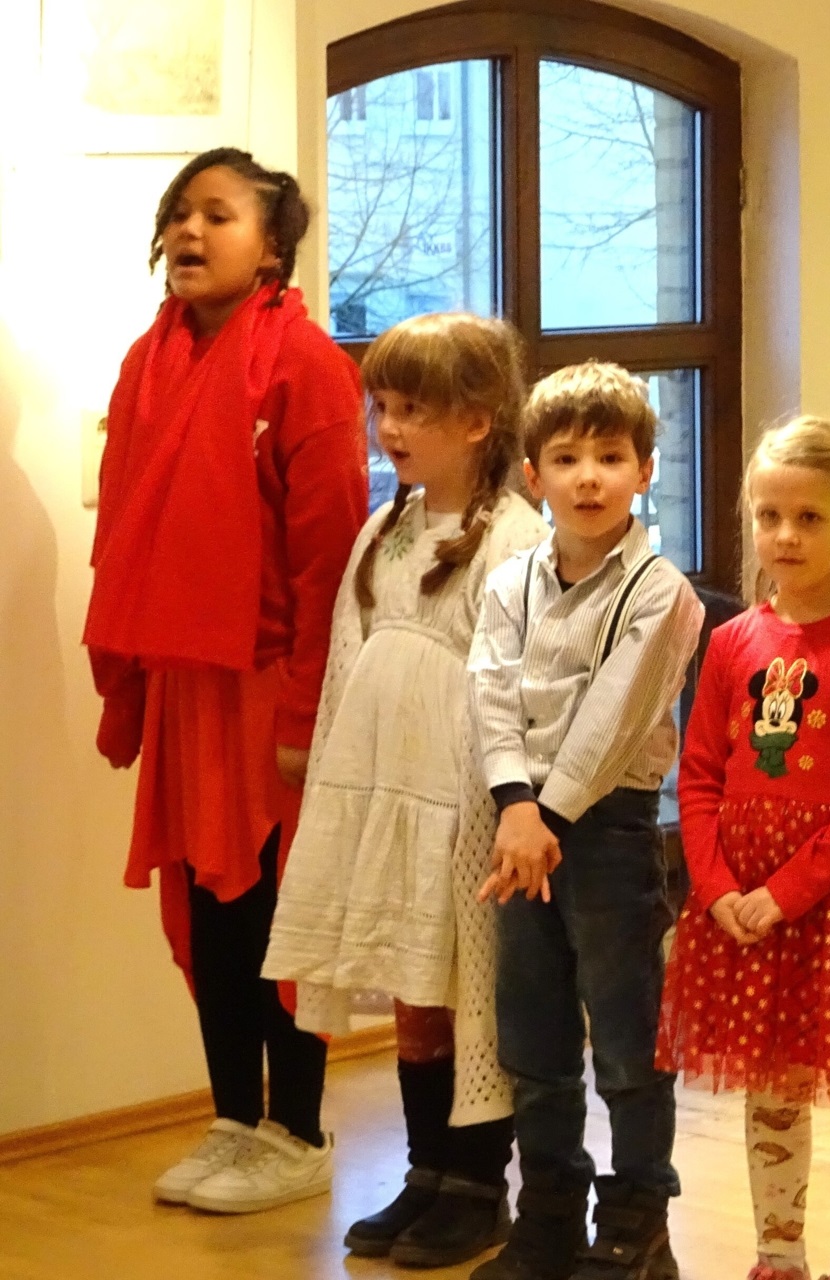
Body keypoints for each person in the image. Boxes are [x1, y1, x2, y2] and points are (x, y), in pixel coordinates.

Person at [84, 146, 367, 1213]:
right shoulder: (147, 361)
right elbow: (124, 533)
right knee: (207, 908)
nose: (188, 233)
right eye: (179, 214)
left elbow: (328, 559)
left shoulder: (304, 365)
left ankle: (298, 1129)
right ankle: (233, 1118)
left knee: (278, 909)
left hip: (271, 677)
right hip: (186, 679)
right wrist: (126, 686)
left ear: (273, 246)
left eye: (217, 214)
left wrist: (305, 709)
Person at [262, 312, 550, 1265]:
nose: (389, 427)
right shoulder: (385, 529)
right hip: (385, 794)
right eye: (381, 406)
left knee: (467, 992)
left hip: (461, 802)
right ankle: (427, 1172)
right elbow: (352, 654)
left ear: (477, 420)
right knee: (416, 992)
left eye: (413, 410)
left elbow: (517, 683)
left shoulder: (514, 538)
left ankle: (478, 1186)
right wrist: (336, 781)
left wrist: (503, 801)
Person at [655, 415, 830, 1280]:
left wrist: (787, 892)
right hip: (745, 909)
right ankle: (777, 1255)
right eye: (768, 515)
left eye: (808, 517)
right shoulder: (731, 641)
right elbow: (699, 775)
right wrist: (717, 888)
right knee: (772, 1089)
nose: (784, 535)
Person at [467, 362, 704, 1280]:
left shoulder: (660, 590)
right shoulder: (510, 582)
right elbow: (490, 691)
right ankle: (551, 1212)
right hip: (518, 827)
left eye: (611, 457)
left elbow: (614, 719)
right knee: (533, 1034)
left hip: (606, 831)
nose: (589, 478)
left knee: (628, 1035)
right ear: (534, 476)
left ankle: (638, 1222)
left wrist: (545, 813)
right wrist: (514, 805)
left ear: (645, 468)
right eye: (566, 459)